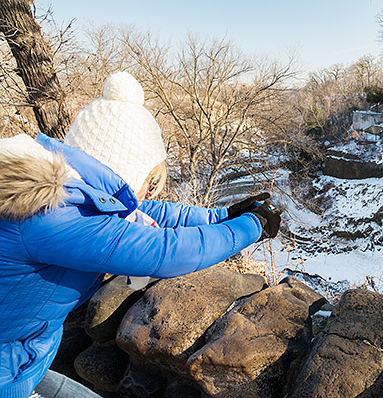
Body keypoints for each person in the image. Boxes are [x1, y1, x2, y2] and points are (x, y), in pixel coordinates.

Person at [0, 72, 281, 398]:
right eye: (148, 181)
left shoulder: (61, 188)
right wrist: (252, 227)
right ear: (124, 169)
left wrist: (221, 216)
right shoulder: (52, 215)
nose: (147, 192)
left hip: (20, 363)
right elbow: (166, 252)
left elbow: (149, 212)